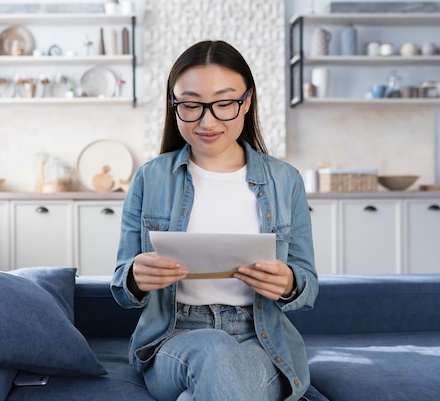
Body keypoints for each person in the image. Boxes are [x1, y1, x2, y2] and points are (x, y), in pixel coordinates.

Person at [110, 40, 318, 401]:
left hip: (260, 339)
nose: (207, 121)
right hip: (175, 338)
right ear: (174, 105)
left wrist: (288, 283)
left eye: (224, 104)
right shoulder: (151, 178)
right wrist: (135, 276)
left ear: (247, 101)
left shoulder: (286, 181)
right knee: (214, 349)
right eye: (191, 105)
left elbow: (308, 285)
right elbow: (120, 286)